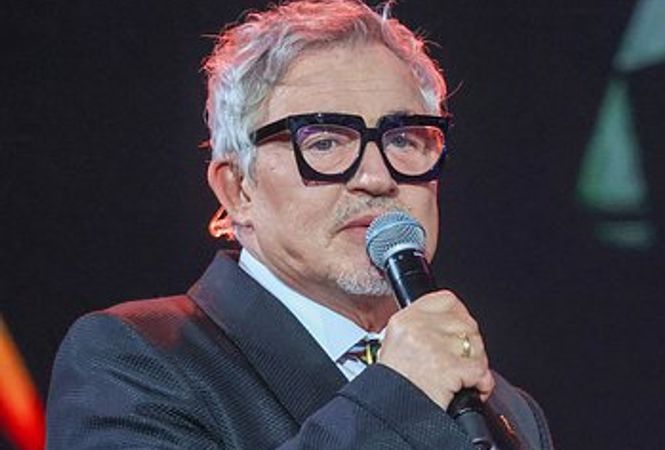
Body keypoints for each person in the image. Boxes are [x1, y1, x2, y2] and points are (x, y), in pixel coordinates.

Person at [46, 1, 553, 448]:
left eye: (403, 139)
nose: (377, 177)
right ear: (238, 189)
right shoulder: (136, 358)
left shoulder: (506, 410)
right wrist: (400, 394)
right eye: (324, 142)